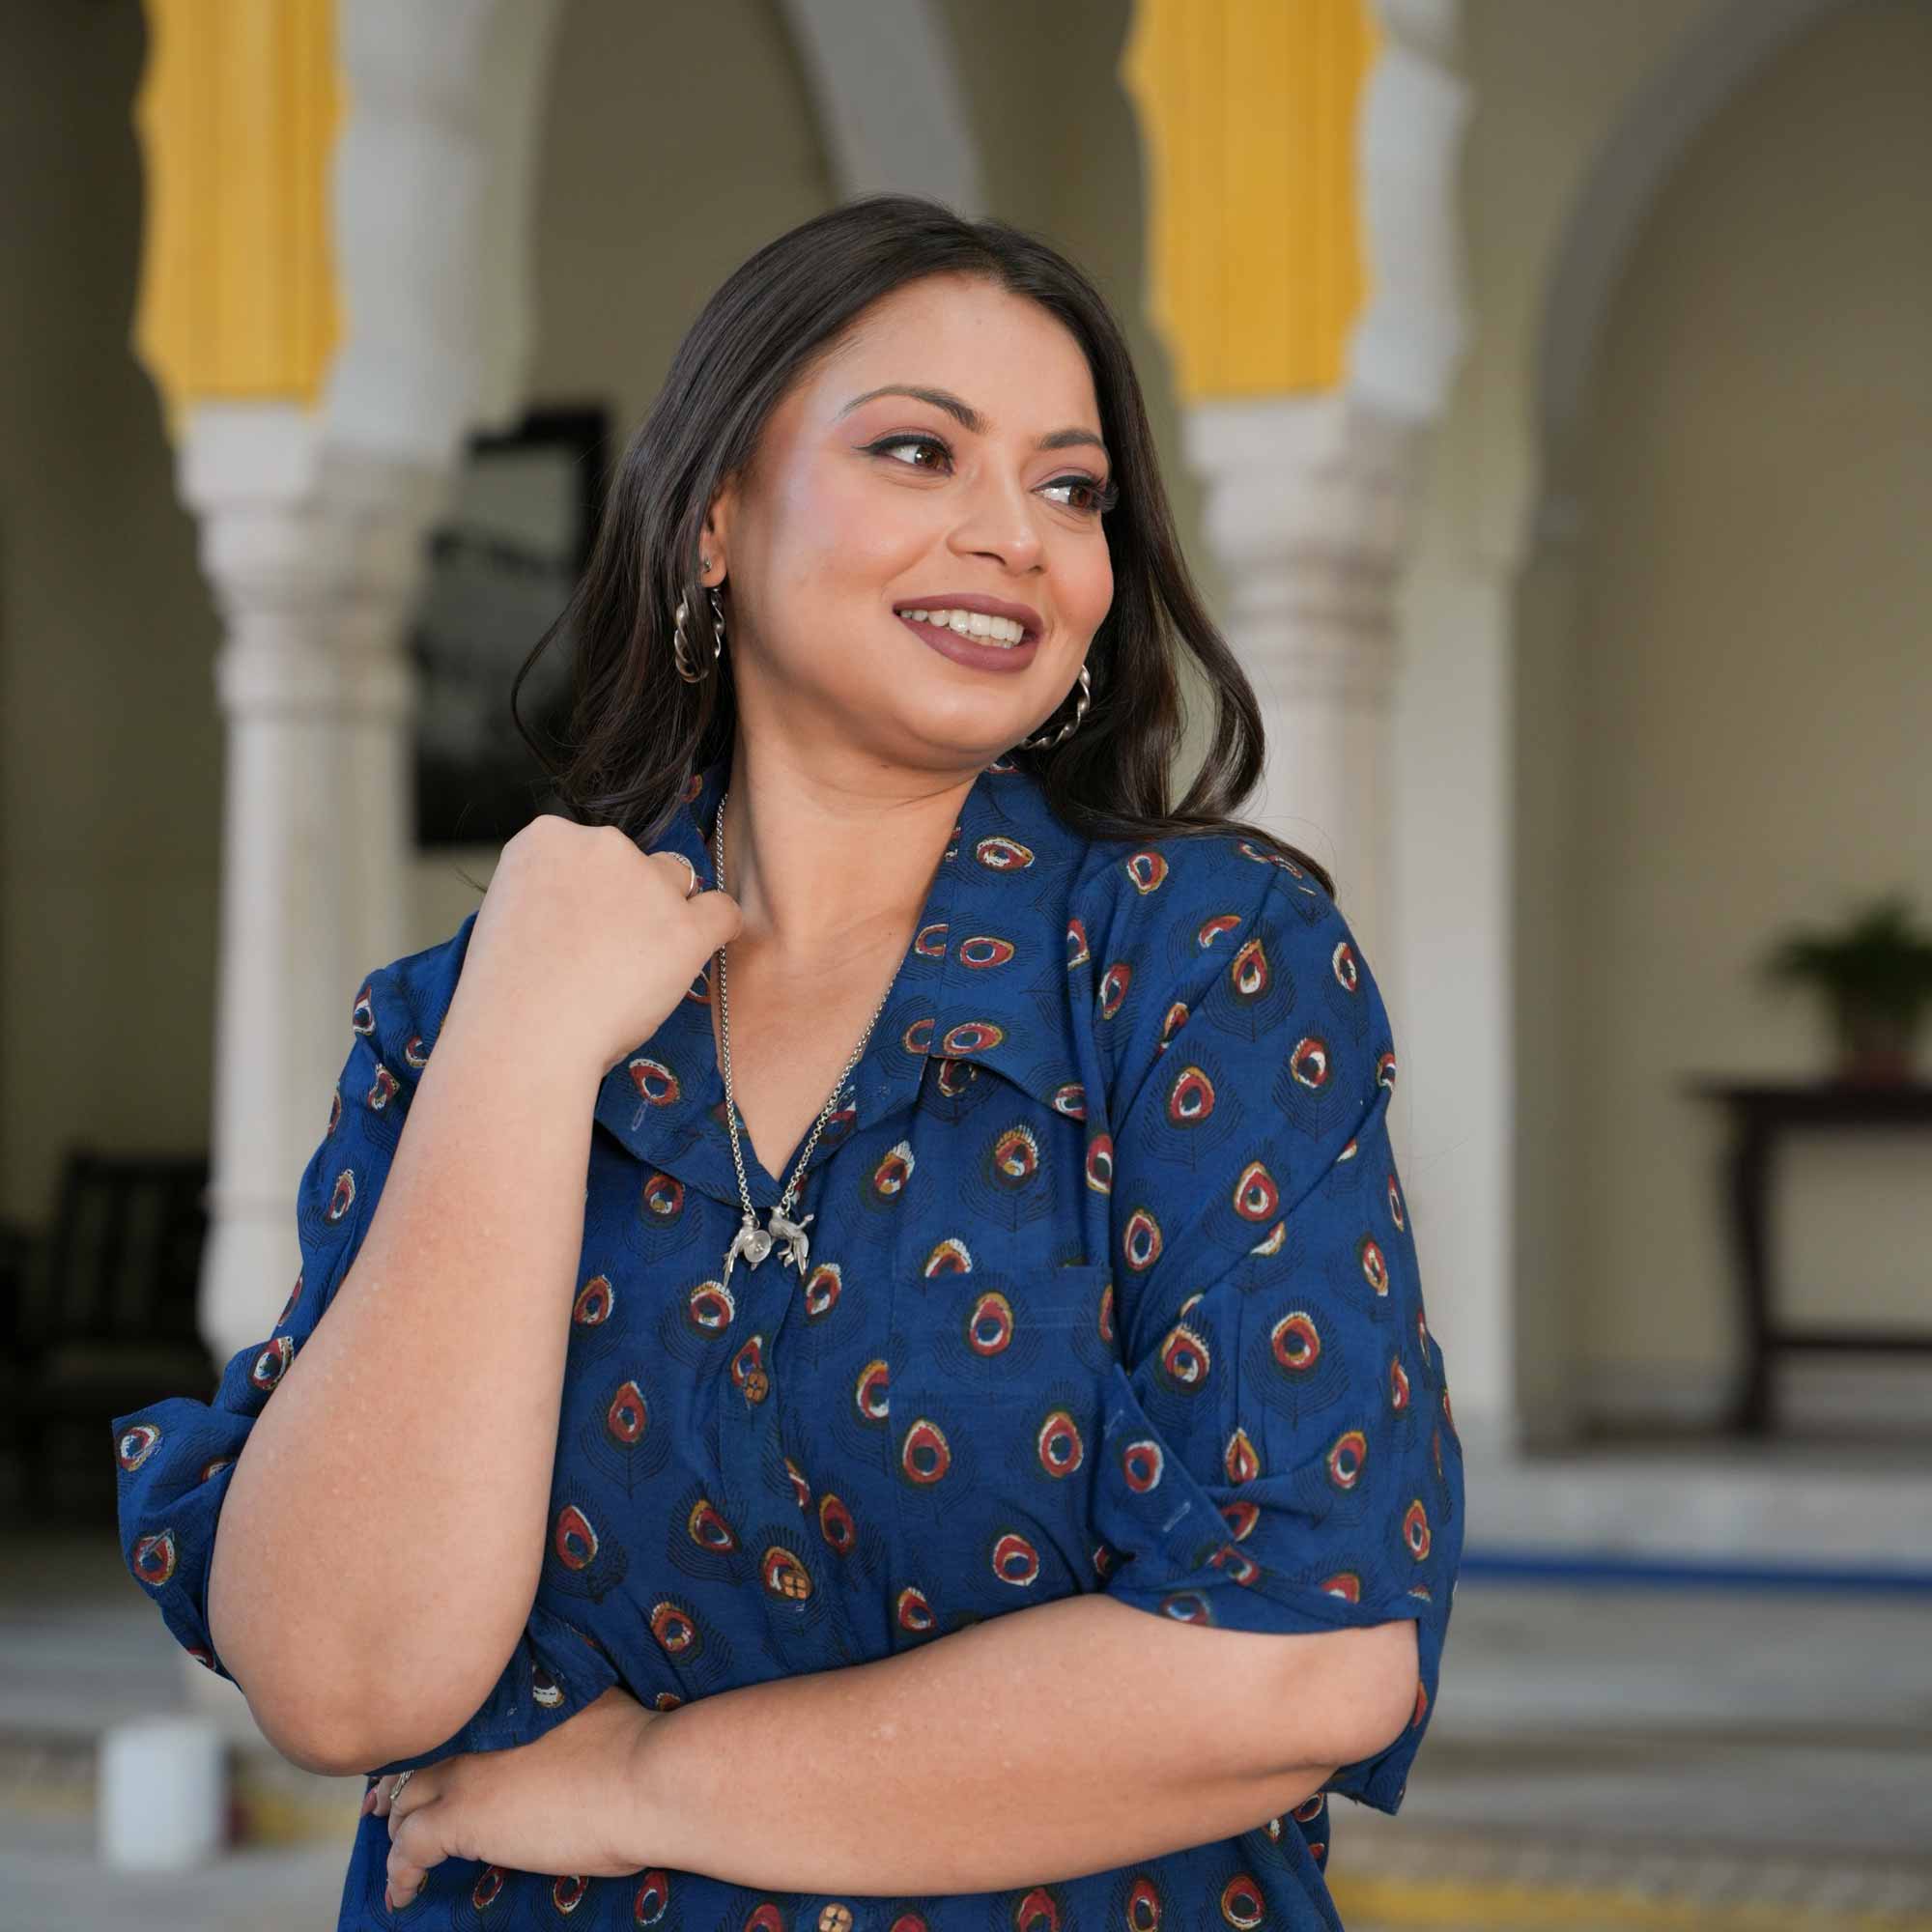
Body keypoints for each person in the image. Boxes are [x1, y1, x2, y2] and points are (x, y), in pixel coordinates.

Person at [112, 192, 1463, 1929]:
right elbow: (343, 1682)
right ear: (713, 521)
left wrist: (633, 1785)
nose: (1016, 535)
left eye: (1071, 487)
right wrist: (522, 1050)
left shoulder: (1196, 963)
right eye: (920, 451)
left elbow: (1309, 1656)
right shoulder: (467, 1013)